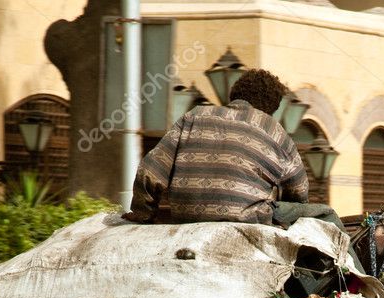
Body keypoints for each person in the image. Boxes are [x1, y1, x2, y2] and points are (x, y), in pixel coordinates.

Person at [124, 68, 342, 229]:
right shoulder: (274, 130)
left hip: (185, 216)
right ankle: (364, 286)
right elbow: (299, 191)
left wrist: (144, 213)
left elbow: (150, 170)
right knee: (326, 215)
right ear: (271, 108)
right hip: (246, 218)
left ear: (234, 95)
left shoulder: (193, 116)